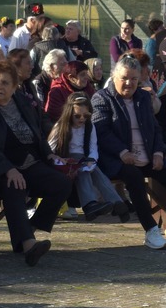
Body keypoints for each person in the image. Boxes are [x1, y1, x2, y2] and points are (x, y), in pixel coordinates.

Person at [93, 54, 166, 249]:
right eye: (124, 78)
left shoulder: (143, 97)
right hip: (118, 159)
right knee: (134, 177)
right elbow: (101, 132)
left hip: (146, 155)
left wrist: (158, 152)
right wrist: (122, 152)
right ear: (114, 77)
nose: (129, 83)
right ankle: (151, 230)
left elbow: (155, 128)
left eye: (134, 79)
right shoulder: (102, 98)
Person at [0, 61, 70, 266]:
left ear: (14, 87)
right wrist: (8, 169)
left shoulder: (22, 101)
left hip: (28, 161)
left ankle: (29, 229)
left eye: (5, 83)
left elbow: (37, 132)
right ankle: (28, 245)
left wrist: (48, 155)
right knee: (14, 186)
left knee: (62, 183)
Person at [47, 93, 129, 222]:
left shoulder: (90, 127)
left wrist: (91, 161)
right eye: (77, 116)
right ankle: (91, 204)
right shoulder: (61, 127)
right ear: (69, 113)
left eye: (86, 116)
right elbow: (49, 150)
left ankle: (116, 203)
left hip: (85, 159)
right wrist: (60, 161)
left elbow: (93, 148)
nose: (82, 119)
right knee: (83, 170)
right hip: (66, 161)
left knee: (96, 172)